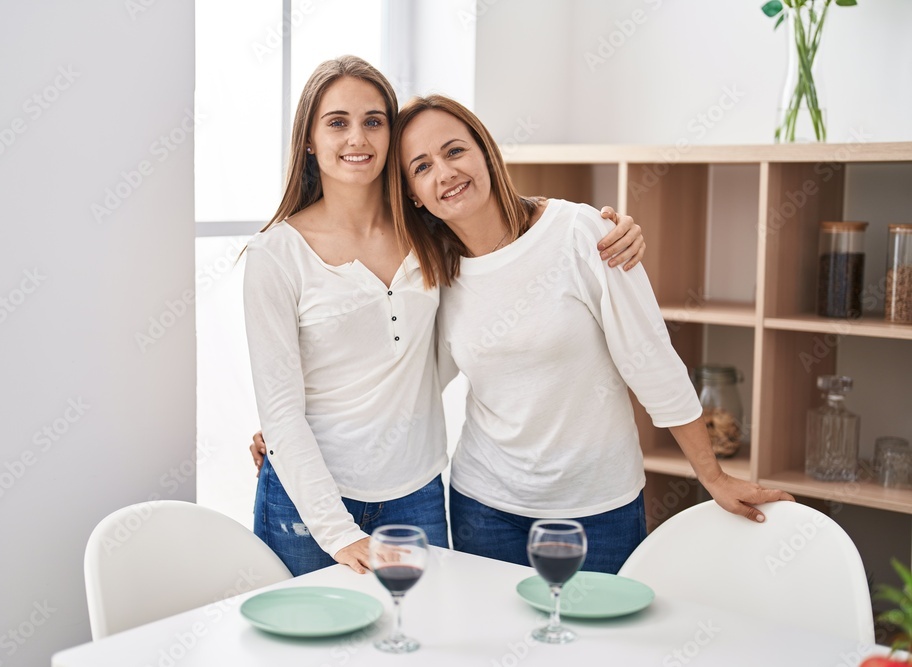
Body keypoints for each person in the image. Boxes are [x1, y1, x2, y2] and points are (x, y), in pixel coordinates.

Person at [242, 56, 646, 577]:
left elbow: (512, 233)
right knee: (304, 653)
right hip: (305, 504)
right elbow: (281, 410)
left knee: (414, 646)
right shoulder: (275, 255)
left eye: (373, 120)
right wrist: (337, 530)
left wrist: (603, 226)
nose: (357, 138)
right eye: (337, 122)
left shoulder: (431, 235)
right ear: (308, 142)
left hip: (417, 497)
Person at [387, 94, 795, 574]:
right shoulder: (429, 271)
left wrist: (713, 475)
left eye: (455, 151)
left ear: (485, 151)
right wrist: (291, 428)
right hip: (484, 505)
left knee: (594, 648)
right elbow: (405, 379)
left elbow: (652, 361)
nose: (445, 172)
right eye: (422, 166)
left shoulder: (581, 233)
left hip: (597, 509)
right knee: (497, 645)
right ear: (413, 193)